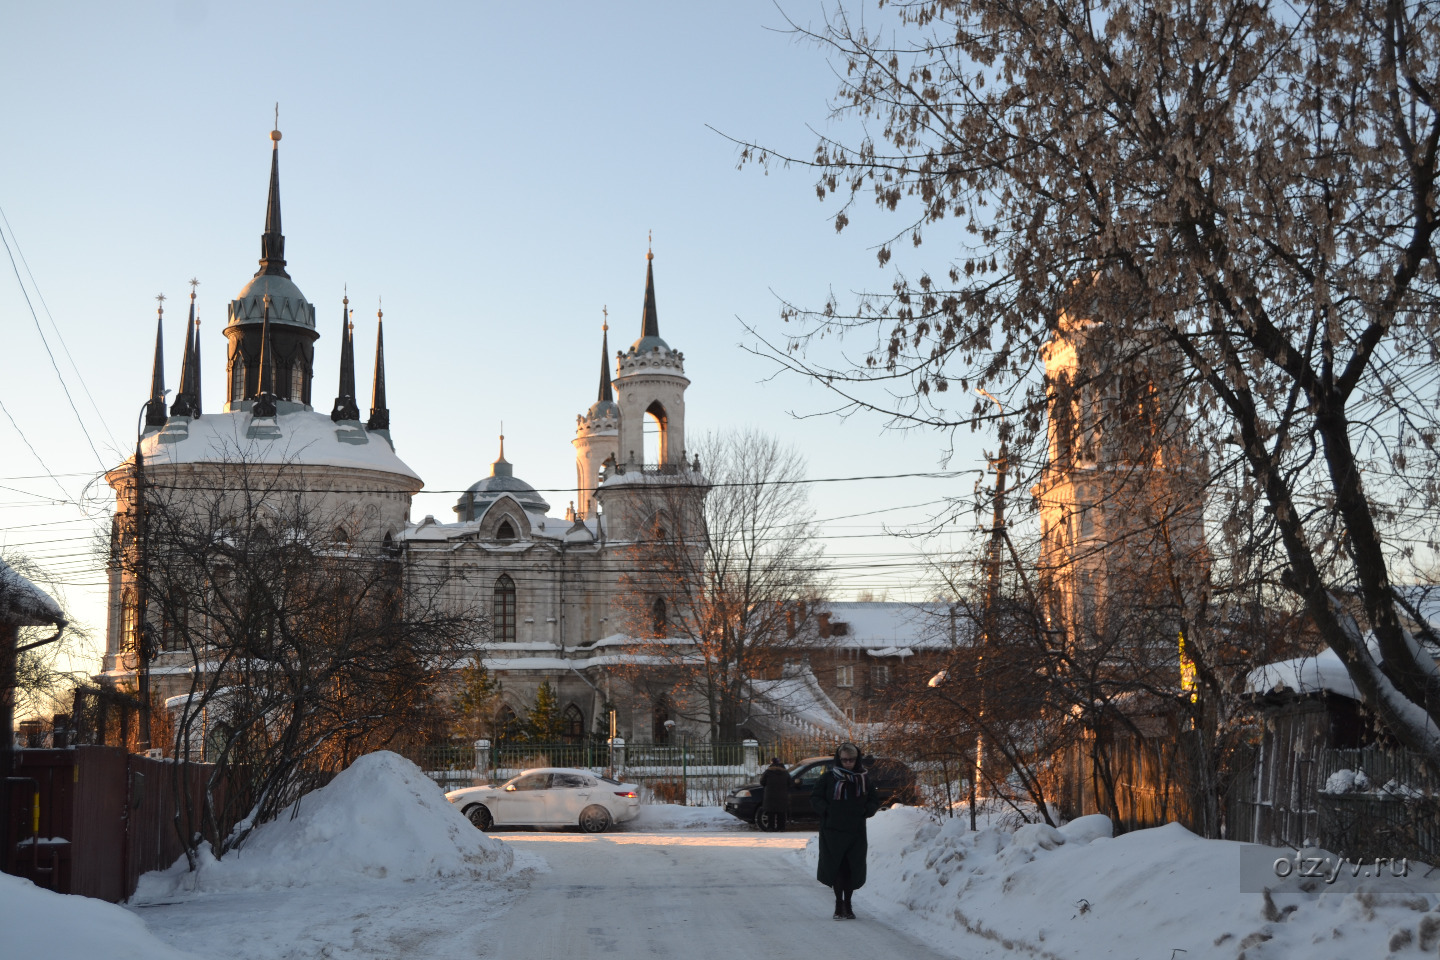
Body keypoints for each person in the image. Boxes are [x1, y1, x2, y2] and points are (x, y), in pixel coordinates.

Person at [811, 742, 879, 919]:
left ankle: (848, 904)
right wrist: (826, 810)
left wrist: (866, 811)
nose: (848, 763)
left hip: (855, 831)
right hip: (832, 831)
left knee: (851, 868)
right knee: (837, 868)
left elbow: (873, 799)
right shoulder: (828, 778)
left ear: (857, 760)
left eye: (851, 760)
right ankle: (838, 905)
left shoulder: (863, 779)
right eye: (844, 760)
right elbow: (815, 797)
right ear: (839, 760)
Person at [758, 757, 790, 832]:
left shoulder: (768, 772)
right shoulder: (785, 773)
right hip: (782, 796)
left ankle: (770, 827)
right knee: (781, 812)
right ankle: (781, 827)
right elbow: (790, 783)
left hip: (770, 796)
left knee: (770, 812)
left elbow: (762, 782)